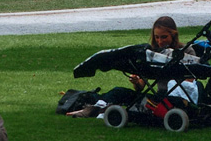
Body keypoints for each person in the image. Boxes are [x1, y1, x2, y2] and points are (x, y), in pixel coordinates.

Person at [68, 16, 198, 117]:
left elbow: (190, 81)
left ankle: (102, 110)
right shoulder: (151, 53)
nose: (160, 41)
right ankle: (92, 108)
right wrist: (136, 81)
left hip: (175, 98)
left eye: (164, 37)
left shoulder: (187, 51)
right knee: (118, 91)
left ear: (173, 35)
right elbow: (140, 87)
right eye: (157, 37)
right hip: (156, 97)